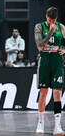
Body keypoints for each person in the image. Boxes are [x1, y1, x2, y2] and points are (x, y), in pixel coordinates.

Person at [34, 7, 65, 135]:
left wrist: (64, 48)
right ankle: (40, 122)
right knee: (43, 93)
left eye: (53, 20)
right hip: (45, 61)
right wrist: (50, 33)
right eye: (49, 19)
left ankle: (58, 126)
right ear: (46, 16)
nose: (51, 22)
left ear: (56, 18)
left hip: (57, 61)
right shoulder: (39, 27)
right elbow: (40, 46)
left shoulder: (61, 27)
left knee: (57, 93)